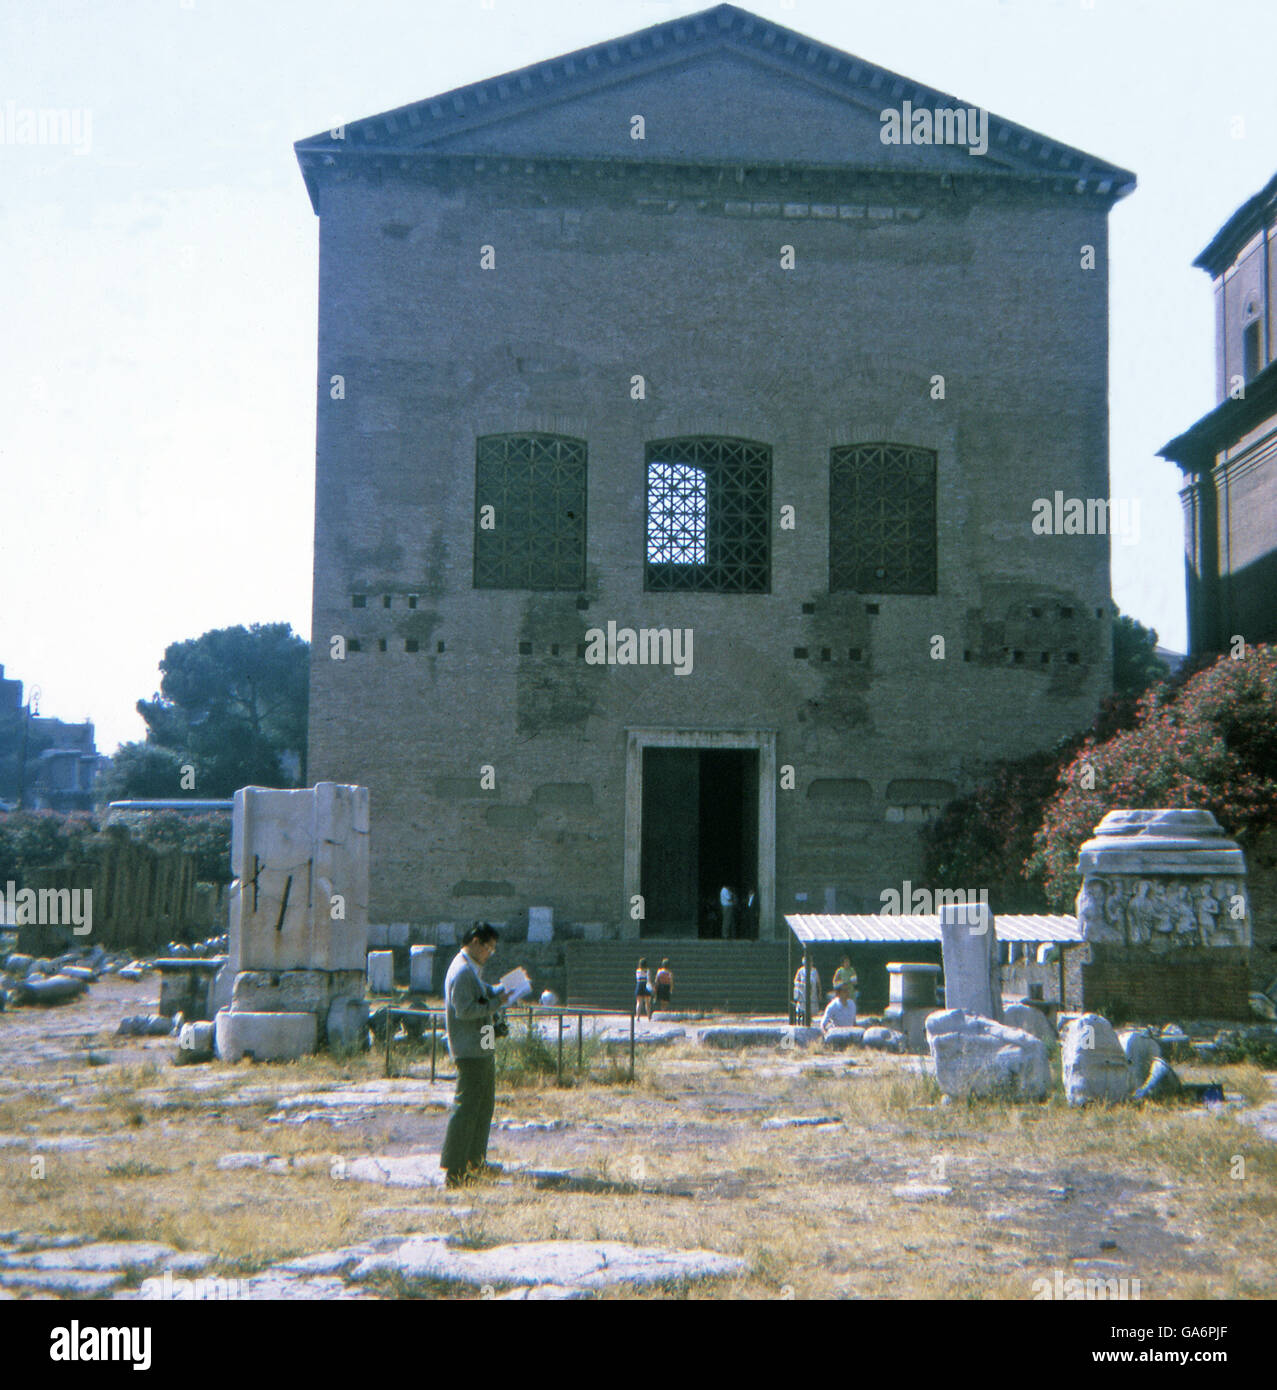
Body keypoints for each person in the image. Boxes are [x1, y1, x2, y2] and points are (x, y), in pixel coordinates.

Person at [440, 922, 511, 1188]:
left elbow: (479, 995)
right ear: (476, 943)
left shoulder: (471, 969)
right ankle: (455, 1170)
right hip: (470, 1049)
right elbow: (464, 1010)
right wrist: (497, 1002)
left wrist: (497, 991)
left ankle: (475, 1161)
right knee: (467, 1108)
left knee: (482, 1108)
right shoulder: (461, 971)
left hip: (483, 1045)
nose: (490, 953)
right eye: (489, 948)